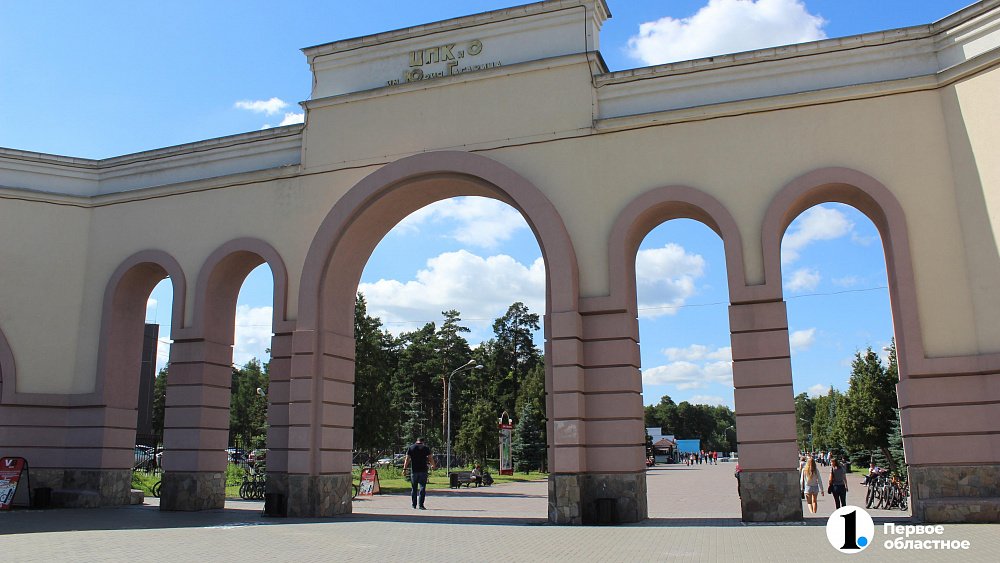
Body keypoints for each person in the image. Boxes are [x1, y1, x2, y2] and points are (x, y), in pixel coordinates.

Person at [402, 437, 436, 510]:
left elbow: (407, 459)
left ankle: (414, 505)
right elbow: (430, 458)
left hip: (414, 470)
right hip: (423, 470)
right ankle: (421, 505)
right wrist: (433, 465)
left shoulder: (411, 448)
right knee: (422, 487)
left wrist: (404, 469)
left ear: (416, 441)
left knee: (414, 488)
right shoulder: (426, 448)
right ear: (423, 442)